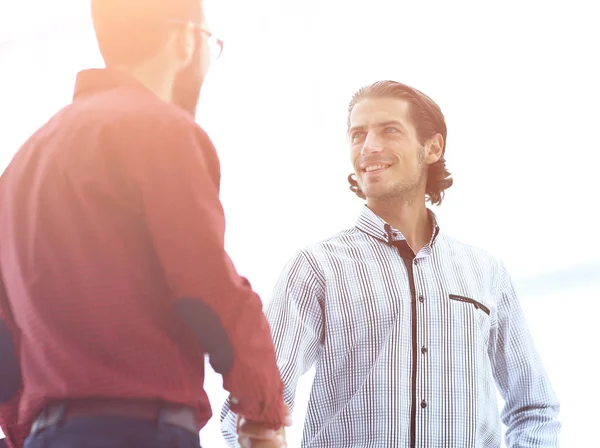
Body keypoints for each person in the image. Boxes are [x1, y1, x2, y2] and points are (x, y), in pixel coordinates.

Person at [0, 0, 289, 447]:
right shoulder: (160, 129)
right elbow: (208, 289)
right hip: (138, 431)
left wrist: (30, 432)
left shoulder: (21, 166)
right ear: (185, 40)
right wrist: (263, 409)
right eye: (210, 44)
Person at [221, 80, 561, 447]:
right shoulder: (317, 268)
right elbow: (251, 408)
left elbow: (535, 409)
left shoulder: (486, 272)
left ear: (432, 147)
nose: (369, 147)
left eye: (389, 130)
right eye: (358, 134)